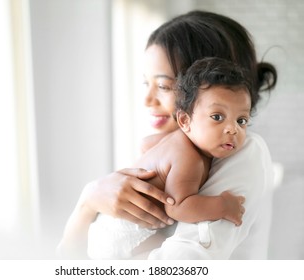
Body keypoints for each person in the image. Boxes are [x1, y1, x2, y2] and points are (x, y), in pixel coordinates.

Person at [56, 10, 277, 260]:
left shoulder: (242, 151)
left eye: (163, 86)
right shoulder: (171, 147)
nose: (147, 100)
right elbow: (67, 261)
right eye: (145, 83)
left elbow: (183, 264)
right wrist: (88, 201)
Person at [87, 57, 251, 259]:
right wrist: (223, 205)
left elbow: (146, 143)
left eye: (242, 120)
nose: (232, 129)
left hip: (104, 224)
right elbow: (178, 207)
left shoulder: (177, 139)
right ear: (184, 120)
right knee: (164, 255)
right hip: (120, 235)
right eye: (217, 117)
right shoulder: (189, 158)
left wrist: (153, 165)